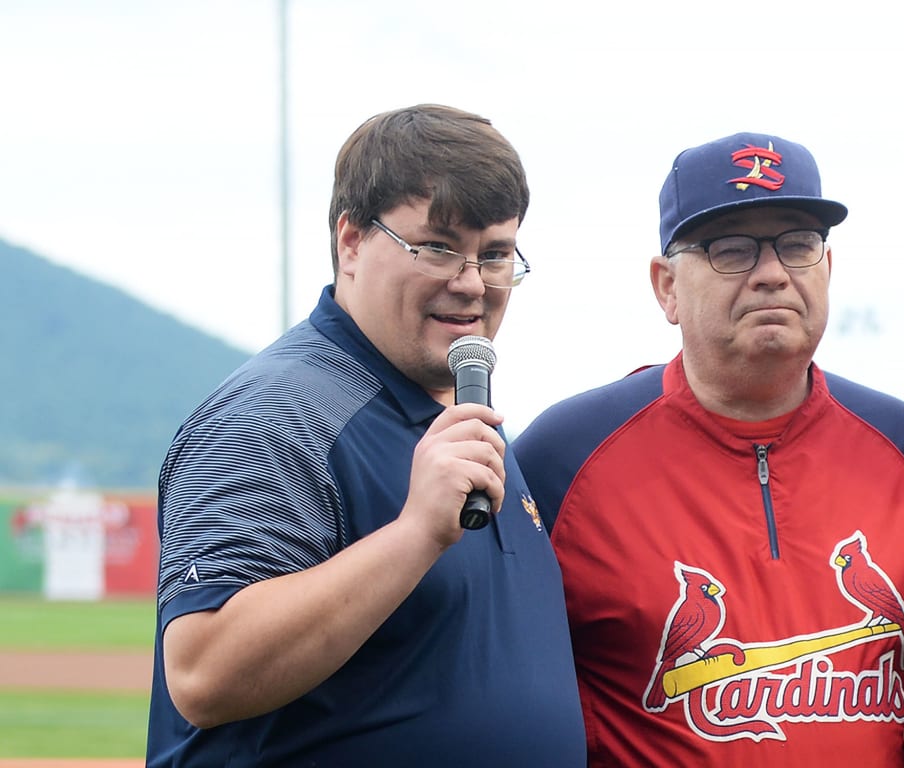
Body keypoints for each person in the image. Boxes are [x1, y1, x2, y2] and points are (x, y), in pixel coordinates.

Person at [512, 132, 904, 767]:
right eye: (732, 249)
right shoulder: (565, 458)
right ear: (666, 287)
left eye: (798, 245)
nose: (772, 273)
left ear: (827, 269)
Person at [146, 104, 585, 766]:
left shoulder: (461, 415)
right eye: (438, 247)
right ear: (351, 242)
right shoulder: (274, 414)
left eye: (494, 254)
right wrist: (414, 534)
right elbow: (204, 672)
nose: (471, 283)